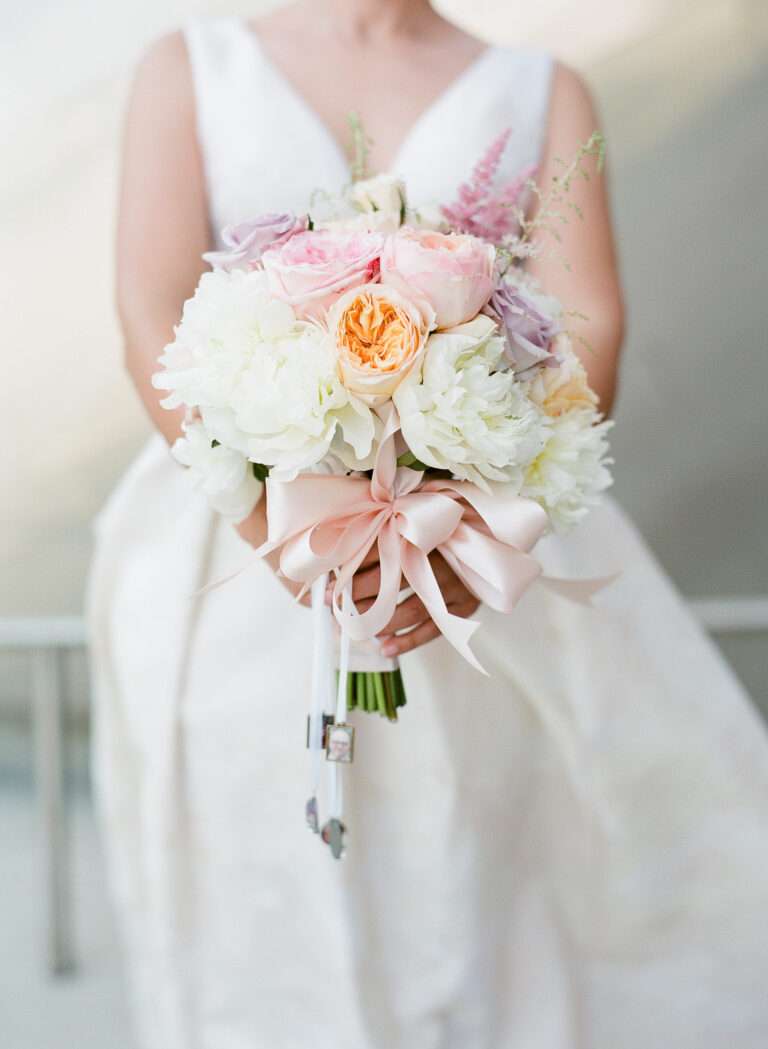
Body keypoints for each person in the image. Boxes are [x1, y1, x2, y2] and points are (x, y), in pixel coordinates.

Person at [88, 2, 768, 1047]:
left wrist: (472, 541)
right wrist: (287, 529)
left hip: (485, 544)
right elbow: (152, 311)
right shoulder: (191, 67)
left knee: (486, 890)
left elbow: (590, 324)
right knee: (263, 893)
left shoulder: (541, 87)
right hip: (240, 552)